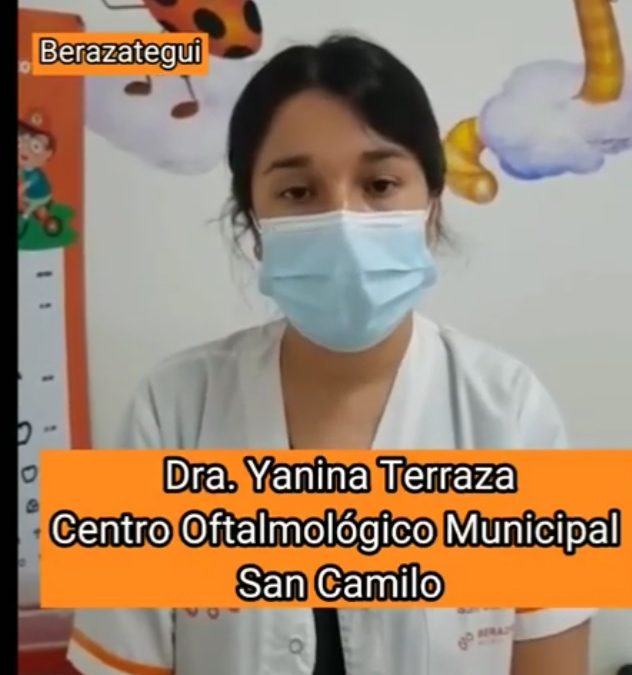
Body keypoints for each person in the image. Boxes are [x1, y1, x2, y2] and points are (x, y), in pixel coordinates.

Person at [67, 34, 594, 675]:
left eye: (380, 183)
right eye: (298, 192)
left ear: (430, 208)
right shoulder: (169, 409)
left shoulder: (513, 411)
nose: (344, 221)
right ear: (254, 226)